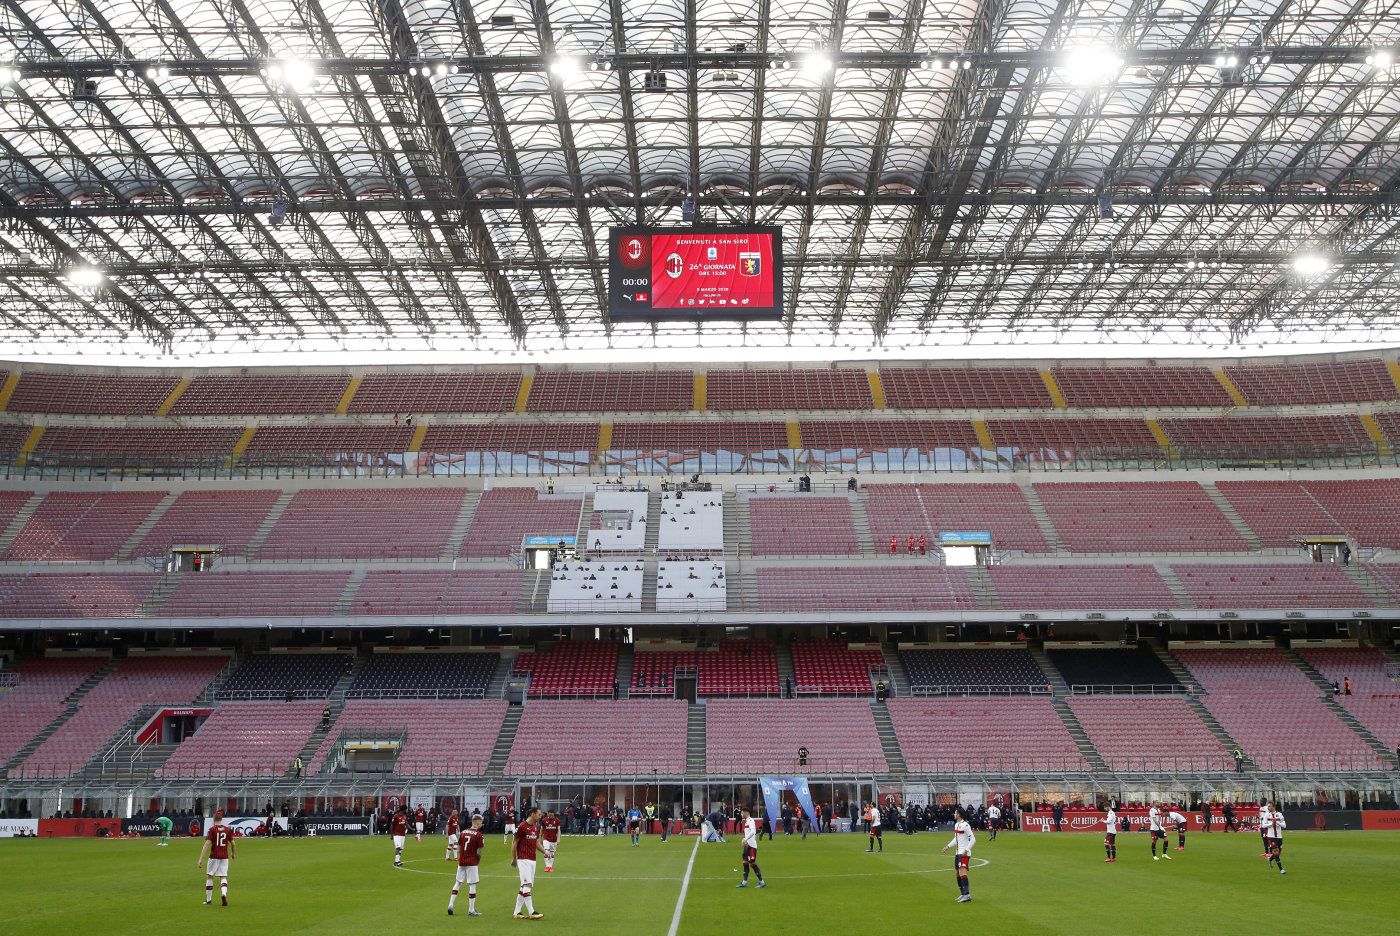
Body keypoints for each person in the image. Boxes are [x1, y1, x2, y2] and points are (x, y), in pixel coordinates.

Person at [511, 806, 544, 920]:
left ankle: (517, 912)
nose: (540, 816)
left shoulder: (536, 827)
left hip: (532, 859)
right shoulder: (521, 827)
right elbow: (514, 843)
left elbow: (536, 842)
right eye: (539, 814)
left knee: (524, 886)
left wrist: (545, 852)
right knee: (527, 885)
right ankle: (531, 912)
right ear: (533, 814)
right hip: (523, 859)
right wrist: (514, 859)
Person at [448, 814, 484, 916]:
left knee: (458, 883)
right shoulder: (478, 835)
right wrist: (478, 861)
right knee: (472, 884)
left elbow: (459, 847)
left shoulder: (463, 832)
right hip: (472, 861)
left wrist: (462, 856)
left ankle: (450, 905)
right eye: (481, 822)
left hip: (462, 861)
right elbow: (479, 851)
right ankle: (471, 910)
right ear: (477, 822)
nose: (481, 824)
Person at [197, 810, 234, 907]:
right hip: (224, 856)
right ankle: (223, 894)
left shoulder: (212, 830)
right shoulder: (228, 830)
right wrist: (233, 853)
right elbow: (233, 843)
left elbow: (207, 844)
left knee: (210, 876)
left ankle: (208, 900)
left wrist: (201, 859)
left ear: (213, 820)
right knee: (223, 877)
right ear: (221, 819)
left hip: (214, 856)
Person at [941, 806, 976, 903]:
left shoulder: (966, 825)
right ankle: (962, 893)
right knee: (957, 873)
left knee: (962, 872)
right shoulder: (956, 825)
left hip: (964, 853)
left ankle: (967, 895)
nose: (954, 814)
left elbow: (973, 839)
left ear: (959, 814)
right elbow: (956, 839)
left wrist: (967, 849)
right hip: (958, 853)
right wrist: (948, 846)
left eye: (955, 813)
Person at [736, 809, 766, 889]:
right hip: (746, 846)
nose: (741, 815)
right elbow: (748, 833)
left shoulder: (751, 820)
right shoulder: (746, 821)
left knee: (752, 864)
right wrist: (744, 839)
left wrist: (745, 839)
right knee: (745, 863)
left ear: (746, 813)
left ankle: (762, 882)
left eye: (742, 813)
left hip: (751, 846)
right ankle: (744, 882)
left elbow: (753, 831)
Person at [1266, 807, 1286, 875]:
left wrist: (1277, 822)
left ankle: (1270, 859)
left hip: (1279, 836)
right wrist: (1271, 824)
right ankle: (1281, 869)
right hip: (1271, 836)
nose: (1268, 807)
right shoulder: (1266, 815)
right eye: (1268, 806)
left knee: (1278, 853)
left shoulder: (1279, 814)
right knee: (1276, 852)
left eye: (1269, 806)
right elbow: (1263, 825)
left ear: (1273, 807)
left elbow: (1284, 826)